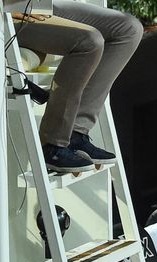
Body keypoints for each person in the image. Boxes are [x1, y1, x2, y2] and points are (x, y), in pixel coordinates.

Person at [12, 1, 143, 173]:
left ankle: (75, 131)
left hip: (39, 3)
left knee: (129, 28)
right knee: (89, 41)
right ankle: (52, 143)